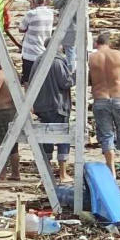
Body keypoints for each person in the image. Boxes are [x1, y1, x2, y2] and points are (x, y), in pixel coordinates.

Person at [88, 32, 120, 178]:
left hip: (100, 98)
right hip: (119, 97)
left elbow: (89, 80)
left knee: (106, 133)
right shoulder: (118, 55)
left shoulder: (92, 58)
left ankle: (111, 169)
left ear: (96, 44)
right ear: (110, 43)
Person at [32, 49, 74, 183]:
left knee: (45, 139)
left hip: (41, 105)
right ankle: (62, 173)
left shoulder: (38, 60)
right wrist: (76, 76)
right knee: (62, 138)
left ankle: (47, 171)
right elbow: (65, 83)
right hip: (57, 105)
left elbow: (30, 80)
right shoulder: (57, 62)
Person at [18, 0, 54, 85]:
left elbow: (21, 28)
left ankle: (28, 100)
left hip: (30, 54)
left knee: (27, 81)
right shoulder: (50, 13)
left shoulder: (31, 14)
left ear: (33, 1)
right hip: (44, 51)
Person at [52, 0, 79, 71]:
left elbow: (55, 4)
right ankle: (77, 72)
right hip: (81, 24)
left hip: (69, 25)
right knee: (77, 51)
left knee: (70, 51)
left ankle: (71, 73)